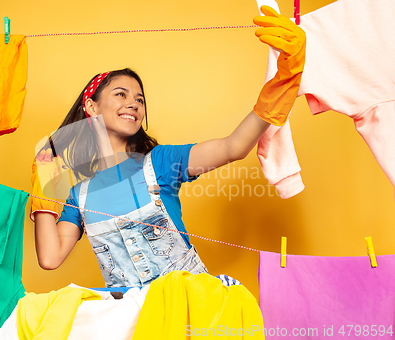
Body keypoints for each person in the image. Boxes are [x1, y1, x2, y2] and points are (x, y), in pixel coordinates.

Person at [30, 6, 306, 287]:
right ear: (91, 106)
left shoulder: (160, 163)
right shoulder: (80, 196)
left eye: (139, 99)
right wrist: (45, 191)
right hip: (131, 322)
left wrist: (283, 82)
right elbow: (50, 259)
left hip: (187, 310)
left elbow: (233, 147)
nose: (133, 104)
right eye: (120, 94)